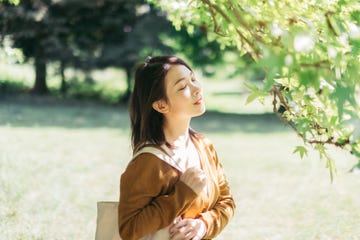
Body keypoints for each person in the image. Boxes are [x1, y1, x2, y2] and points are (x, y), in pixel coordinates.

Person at [118, 55, 235, 240]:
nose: (197, 88)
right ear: (161, 104)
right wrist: (182, 194)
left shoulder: (204, 146)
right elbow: (128, 228)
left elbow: (226, 202)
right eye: (182, 87)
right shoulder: (149, 161)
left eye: (193, 79)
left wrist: (203, 225)